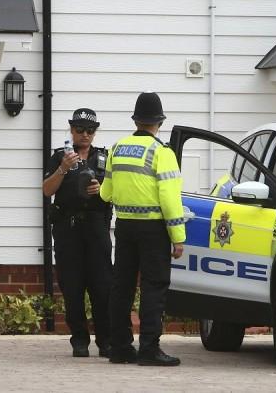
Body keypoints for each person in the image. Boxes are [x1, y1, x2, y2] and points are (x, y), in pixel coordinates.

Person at [99, 92, 186, 366]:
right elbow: (170, 200)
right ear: (159, 122)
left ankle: (120, 347)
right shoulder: (162, 153)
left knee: (121, 287)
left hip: (124, 227)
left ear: (136, 120)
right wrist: (178, 237)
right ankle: (149, 348)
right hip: (153, 230)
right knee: (153, 288)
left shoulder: (116, 148)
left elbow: (105, 193)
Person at [43, 108, 113, 358]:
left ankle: (106, 340)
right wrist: (62, 169)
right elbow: (47, 190)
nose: (85, 134)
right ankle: (79, 340)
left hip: (96, 227)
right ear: (71, 130)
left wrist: (101, 189)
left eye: (90, 130)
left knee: (102, 286)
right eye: (80, 130)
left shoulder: (106, 157)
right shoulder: (60, 157)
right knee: (72, 286)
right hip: (67, 228)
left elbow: (116, 192)